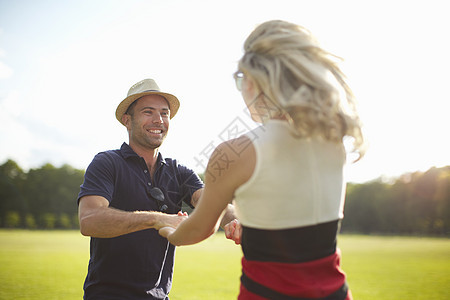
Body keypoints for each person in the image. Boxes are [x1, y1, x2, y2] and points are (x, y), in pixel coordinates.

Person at [159, 20, 365, 300]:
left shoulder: (234, 152)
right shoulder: (334, 138)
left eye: (240, 80)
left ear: (255, 81)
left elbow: (199, 230)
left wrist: (169, 231)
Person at [77, 78, 239, 299]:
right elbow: (89, 220)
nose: (158, 120)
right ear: (127, 120)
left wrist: (237, 221)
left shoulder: (178, 171)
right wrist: (159, 219)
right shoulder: (107, 162)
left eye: (164, 113)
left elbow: (213, 202)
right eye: (148, 112)